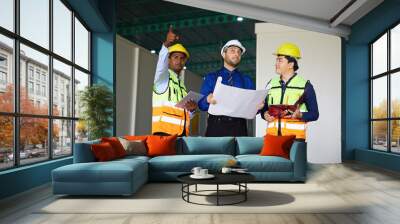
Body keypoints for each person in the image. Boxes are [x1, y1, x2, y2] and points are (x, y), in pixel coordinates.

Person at [260, 42, 319, 140]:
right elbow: (264, 108)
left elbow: (314, 114)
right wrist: (264, 114)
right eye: (276, 60)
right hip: (272, 138)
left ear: (291, 64)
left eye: (280, 60)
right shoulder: (271, 84)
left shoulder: (305, 86)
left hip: (294, 140)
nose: (276, 64)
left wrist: (300, 115)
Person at [198, 39, 257, 137]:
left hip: (239, 126)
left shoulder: (247, 80)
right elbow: (201, 105)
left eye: (239, 52)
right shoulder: (211, 77)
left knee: (237, 153)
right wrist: (207, 99)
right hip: (216, 126)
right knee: (216, 152)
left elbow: (253, 107)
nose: (236, 54)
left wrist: (257, 107)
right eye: (232, 51)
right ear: (223, 54)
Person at [152, 26, 197, 136]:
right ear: (169, 59)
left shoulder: (182, 86)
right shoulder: (163, 79)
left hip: (181, 135)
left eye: (182, 58)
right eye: (175, 57)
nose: (179, 61)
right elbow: (160, 66)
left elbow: (183, 114)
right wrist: (166, 44)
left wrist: (191, 111)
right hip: (163, 134)